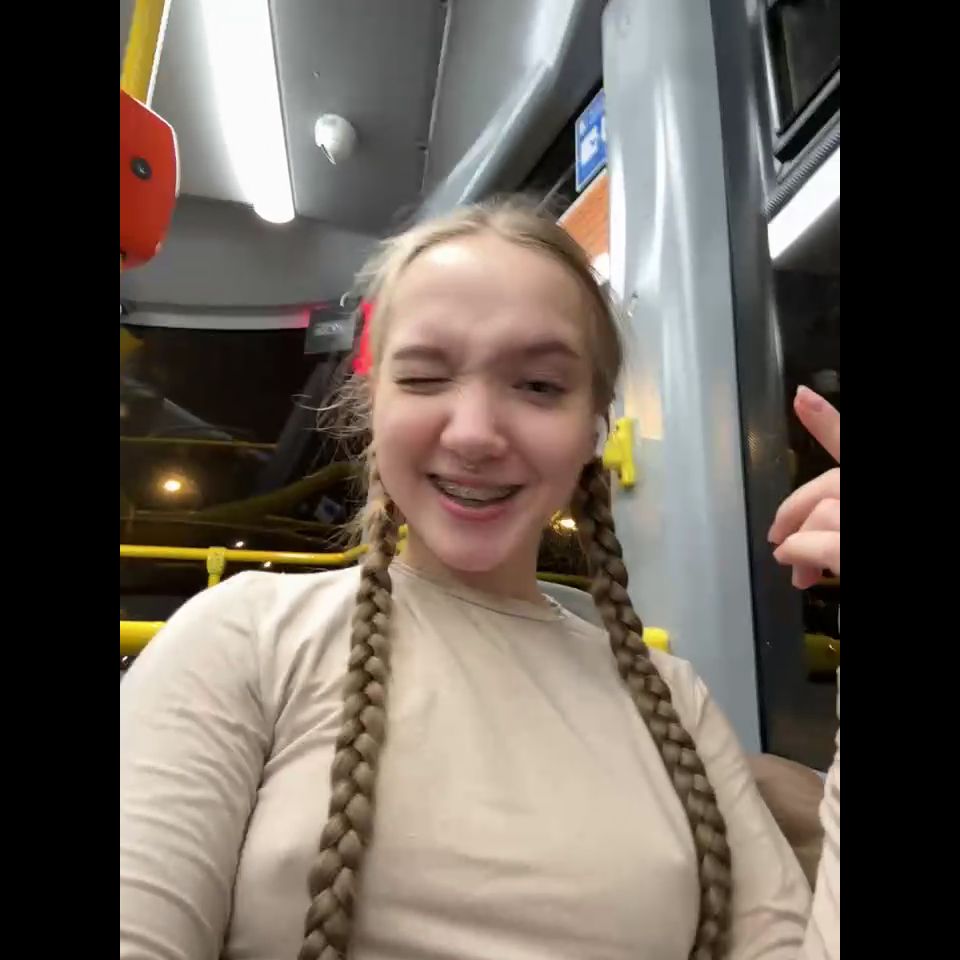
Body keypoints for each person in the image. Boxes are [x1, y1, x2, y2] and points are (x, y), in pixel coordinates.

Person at [120, 199, 840, 960]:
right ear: (374, 406)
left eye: (539, 386)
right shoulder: (245, 638)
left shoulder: (677, 701)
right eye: (425, 377)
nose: (472, 434)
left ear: (593, 429)